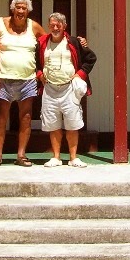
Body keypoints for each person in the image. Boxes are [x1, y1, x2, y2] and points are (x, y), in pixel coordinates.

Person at [0, 0, 46, 167]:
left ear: (28, 10)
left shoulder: (34, 27)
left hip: (27, 79)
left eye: (24, 8)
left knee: (26, 117)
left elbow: (49, 42)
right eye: (18, 7)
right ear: (12, 8)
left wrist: (77, 42)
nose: (20, 10)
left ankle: (21, 155)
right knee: (1, 117)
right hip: (4, 78)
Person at [35, 12, 96, 168]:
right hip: (49, 89)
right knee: (53, 125)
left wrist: (79, 75)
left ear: (64, 26)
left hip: (69, 88)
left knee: (72, 124)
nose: (55, 27)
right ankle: (56, 157)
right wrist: (40, 74)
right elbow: (35, 62)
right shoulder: (42, 43)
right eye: (52, 25)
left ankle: (73, 158)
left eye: (59, 25)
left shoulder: (74, 42)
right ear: (49, 26)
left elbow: (91, 58)